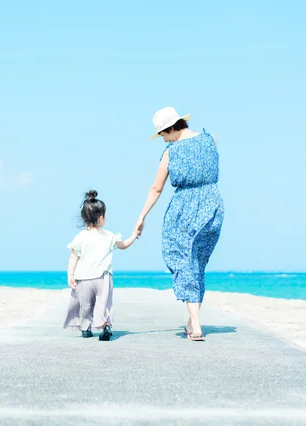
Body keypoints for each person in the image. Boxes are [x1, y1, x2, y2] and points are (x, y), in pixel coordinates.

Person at [133, 107, 224, 342]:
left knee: (182, 259)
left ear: (172, 128)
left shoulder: (171, 152)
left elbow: (156, 188)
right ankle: (191, 320)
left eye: (163, 134)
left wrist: (141, 216)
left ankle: (195, 325)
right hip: (213, 206)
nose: (163, 139)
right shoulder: (210, 139)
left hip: (185, 209)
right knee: (196, 263)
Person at [63, 190, 137, 341]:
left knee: (85, 305)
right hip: (102, 277)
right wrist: (134, 235)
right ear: (100, 217)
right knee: (104, 303)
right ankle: (105, 325)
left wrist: (70, 275)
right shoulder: (109, 235)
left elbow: (73, 258)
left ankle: (85, 328)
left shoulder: (80, 237)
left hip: (83, 277)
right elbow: (123, 245)